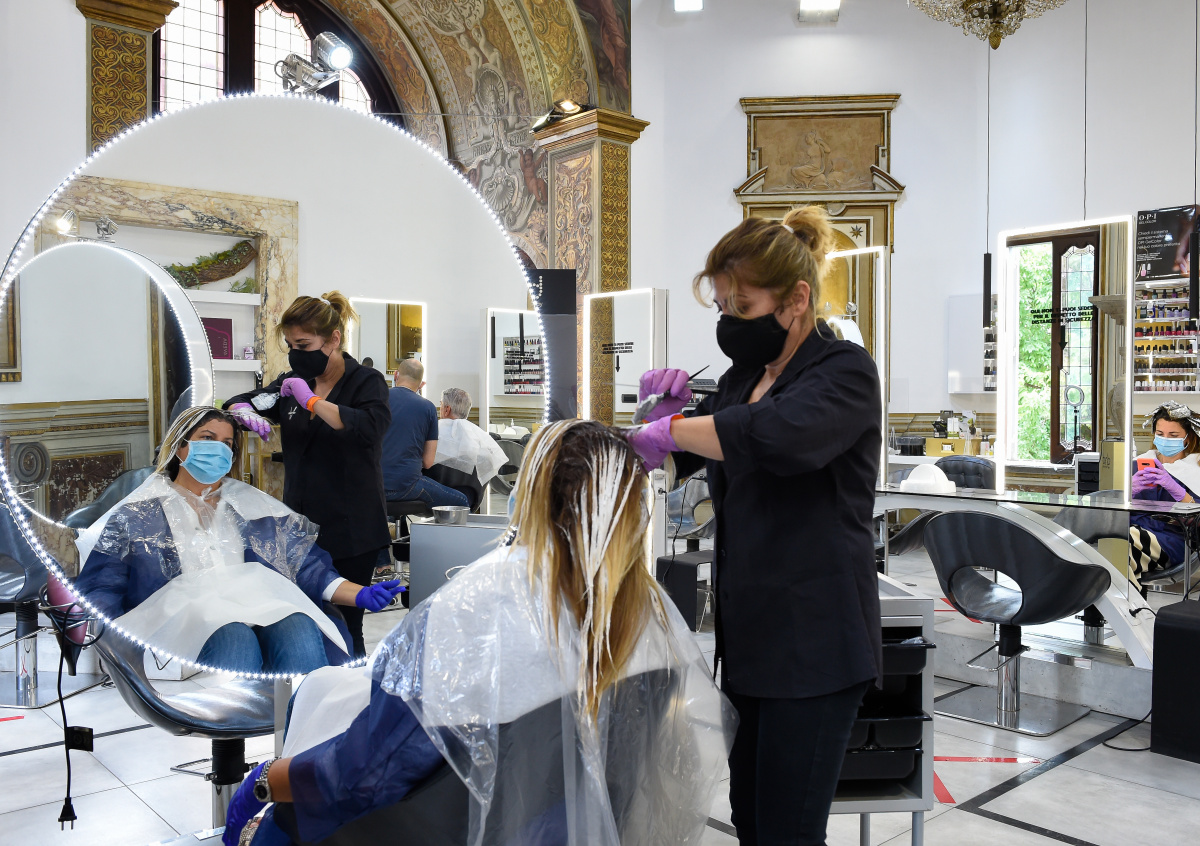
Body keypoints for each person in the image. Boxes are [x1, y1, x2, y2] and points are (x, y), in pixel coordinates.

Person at [221, 420, 734, 846]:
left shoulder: (478, 605)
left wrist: (266, 781)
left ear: (530, 492)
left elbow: (367, 775)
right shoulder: (651, 610)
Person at [627, 206, 883, 846]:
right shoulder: (743, 378)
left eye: (741, 307)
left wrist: (677, 429)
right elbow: (695, 451)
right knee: (752, 818)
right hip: (750, 638)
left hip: (815, 642)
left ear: (797, 300)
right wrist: (663, 413)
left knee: (788, 831)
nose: (728, 322)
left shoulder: (845, 371)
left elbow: (776, 436)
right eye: (721, 307)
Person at [72, 407, 403, 674]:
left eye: (227, 443)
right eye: (207, 438)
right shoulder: (139, 514)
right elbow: (102, 587)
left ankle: (304, 728)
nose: (219, 448)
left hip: (257, 607)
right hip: (180, 622)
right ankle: (230, 732)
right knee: (234, 637)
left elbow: (305, 566)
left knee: (299, 626)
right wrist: (107, 648)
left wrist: (360, 594)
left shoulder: (249, 507)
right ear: (180, 446)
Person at [225, 292, 393, 658]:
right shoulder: (292, 381)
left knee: (346, 623)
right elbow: (246, 400)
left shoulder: (366, 382)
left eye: (303, 344)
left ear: (333, 339)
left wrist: (313, 402)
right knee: (307, 615)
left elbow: (369, 428)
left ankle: (351, 686)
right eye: (290, 345)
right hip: (300, 523)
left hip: (352, 526)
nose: (295, 354)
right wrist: (242, 410)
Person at [1128, 401, 1200, 587]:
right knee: (1115, 551)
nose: (1165, 439)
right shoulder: (1138, 464)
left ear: (1187, 438)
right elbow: (1113, 508)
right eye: (1160, 434)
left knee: (1123, 544)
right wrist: (1129, 491)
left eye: (1173, 435)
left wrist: (1179, 492)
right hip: (1134, 529)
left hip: (1173, 540)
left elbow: (1197, 524)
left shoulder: (1196, 469)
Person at [380, 359, 468, 508]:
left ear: (396, 375)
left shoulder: (377, 399)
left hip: (371, 484)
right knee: (461, 501)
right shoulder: (427, 408)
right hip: (406, 486)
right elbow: (427, 462)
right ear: (421, 384)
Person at [434, 387, 508, 485]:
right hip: (470, 491)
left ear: (447, 409)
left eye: (441, 404)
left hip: (439, 489)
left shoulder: (436, 431)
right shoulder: (477, 436)